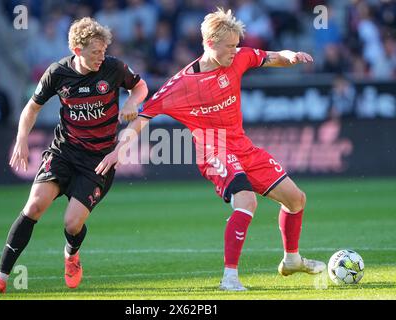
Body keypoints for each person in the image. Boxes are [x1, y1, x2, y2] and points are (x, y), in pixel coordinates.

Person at [96, 8, 326, 291]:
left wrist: (290, 56)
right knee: (246, 201)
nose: (235, 51)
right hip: (213, 148)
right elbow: (144, 117)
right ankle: (230, 278)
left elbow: (271, 57)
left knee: (296, 199)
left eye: (236, 45)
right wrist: (119, 149)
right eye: (229, 46)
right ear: (210, 43)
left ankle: (292, 259)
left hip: (243, 146)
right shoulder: (180, 85)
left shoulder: (238, 57)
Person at [0, 17, 148, 295]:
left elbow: (140, 87)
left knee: (72, 222)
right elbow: (31, 108)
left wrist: (131, 100)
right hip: (64, 152)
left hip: (99, 160)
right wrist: (21, 139)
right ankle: (0, 278)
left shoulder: (113, 68)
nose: (101, 57)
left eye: (103, 51)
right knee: (34, 206)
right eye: (95, 52)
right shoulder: (57, 73)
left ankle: (71, 255)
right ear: (77, 50)